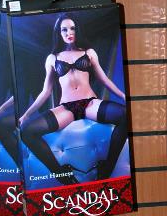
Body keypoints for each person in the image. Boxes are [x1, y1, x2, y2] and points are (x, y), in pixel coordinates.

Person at [18, 13, 128, 186]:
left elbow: (104, 79)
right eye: (64, 29)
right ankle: (61, 174)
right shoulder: (52, 58)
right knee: (27, 131)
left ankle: (107, 167)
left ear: (77, 30)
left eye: (72, 28)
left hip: (90, 103)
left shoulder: (88, 52)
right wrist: (26, 115)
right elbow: (46, 91)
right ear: (59, 33)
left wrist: (123, 96)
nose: (69, 32)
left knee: (125, 115)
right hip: (67, 108)